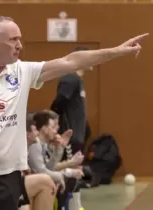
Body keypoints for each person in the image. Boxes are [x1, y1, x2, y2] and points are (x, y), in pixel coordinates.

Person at [0, 15, 148, 210]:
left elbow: (71, 61)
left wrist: (117, 51)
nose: (20, 44)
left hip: (8, 176)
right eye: (13, 39)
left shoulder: (22, 71)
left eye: (20, 38)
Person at [50, 46, 92, 210]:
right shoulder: (70, 78)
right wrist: (54, 127)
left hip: (77, 138)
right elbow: (59, 102)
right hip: (69, 137)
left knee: (76, 175)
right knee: (67, 176)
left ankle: (75, 207)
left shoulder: (78, 80)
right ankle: (58, 206)